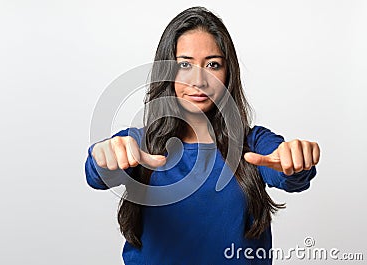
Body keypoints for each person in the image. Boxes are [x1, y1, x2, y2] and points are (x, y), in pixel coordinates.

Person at [85, 6, 320, 264]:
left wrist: (295, 162)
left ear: (228, 73)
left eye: (213, 64)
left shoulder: (252, 144)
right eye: (185, 64)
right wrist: (102, 158)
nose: (199, 80)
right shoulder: (141, 144)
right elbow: (99, 173)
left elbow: (287, 171)